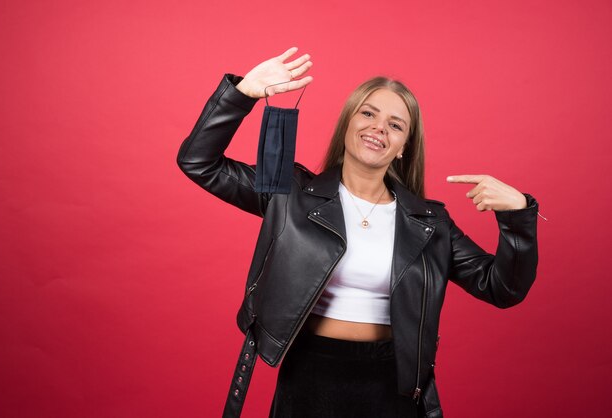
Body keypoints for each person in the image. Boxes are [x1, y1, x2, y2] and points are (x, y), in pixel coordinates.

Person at [177, 47, 539, 418]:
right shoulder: (291, 192)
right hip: (308, 377)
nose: (378, 128)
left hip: (392, 385)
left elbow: (502, 288)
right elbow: (198, 162)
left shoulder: (429, 223)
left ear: (403, 147)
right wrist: (242, 95)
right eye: (368, 113)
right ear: (348, 122)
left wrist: (518, 215)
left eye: (396, 125)